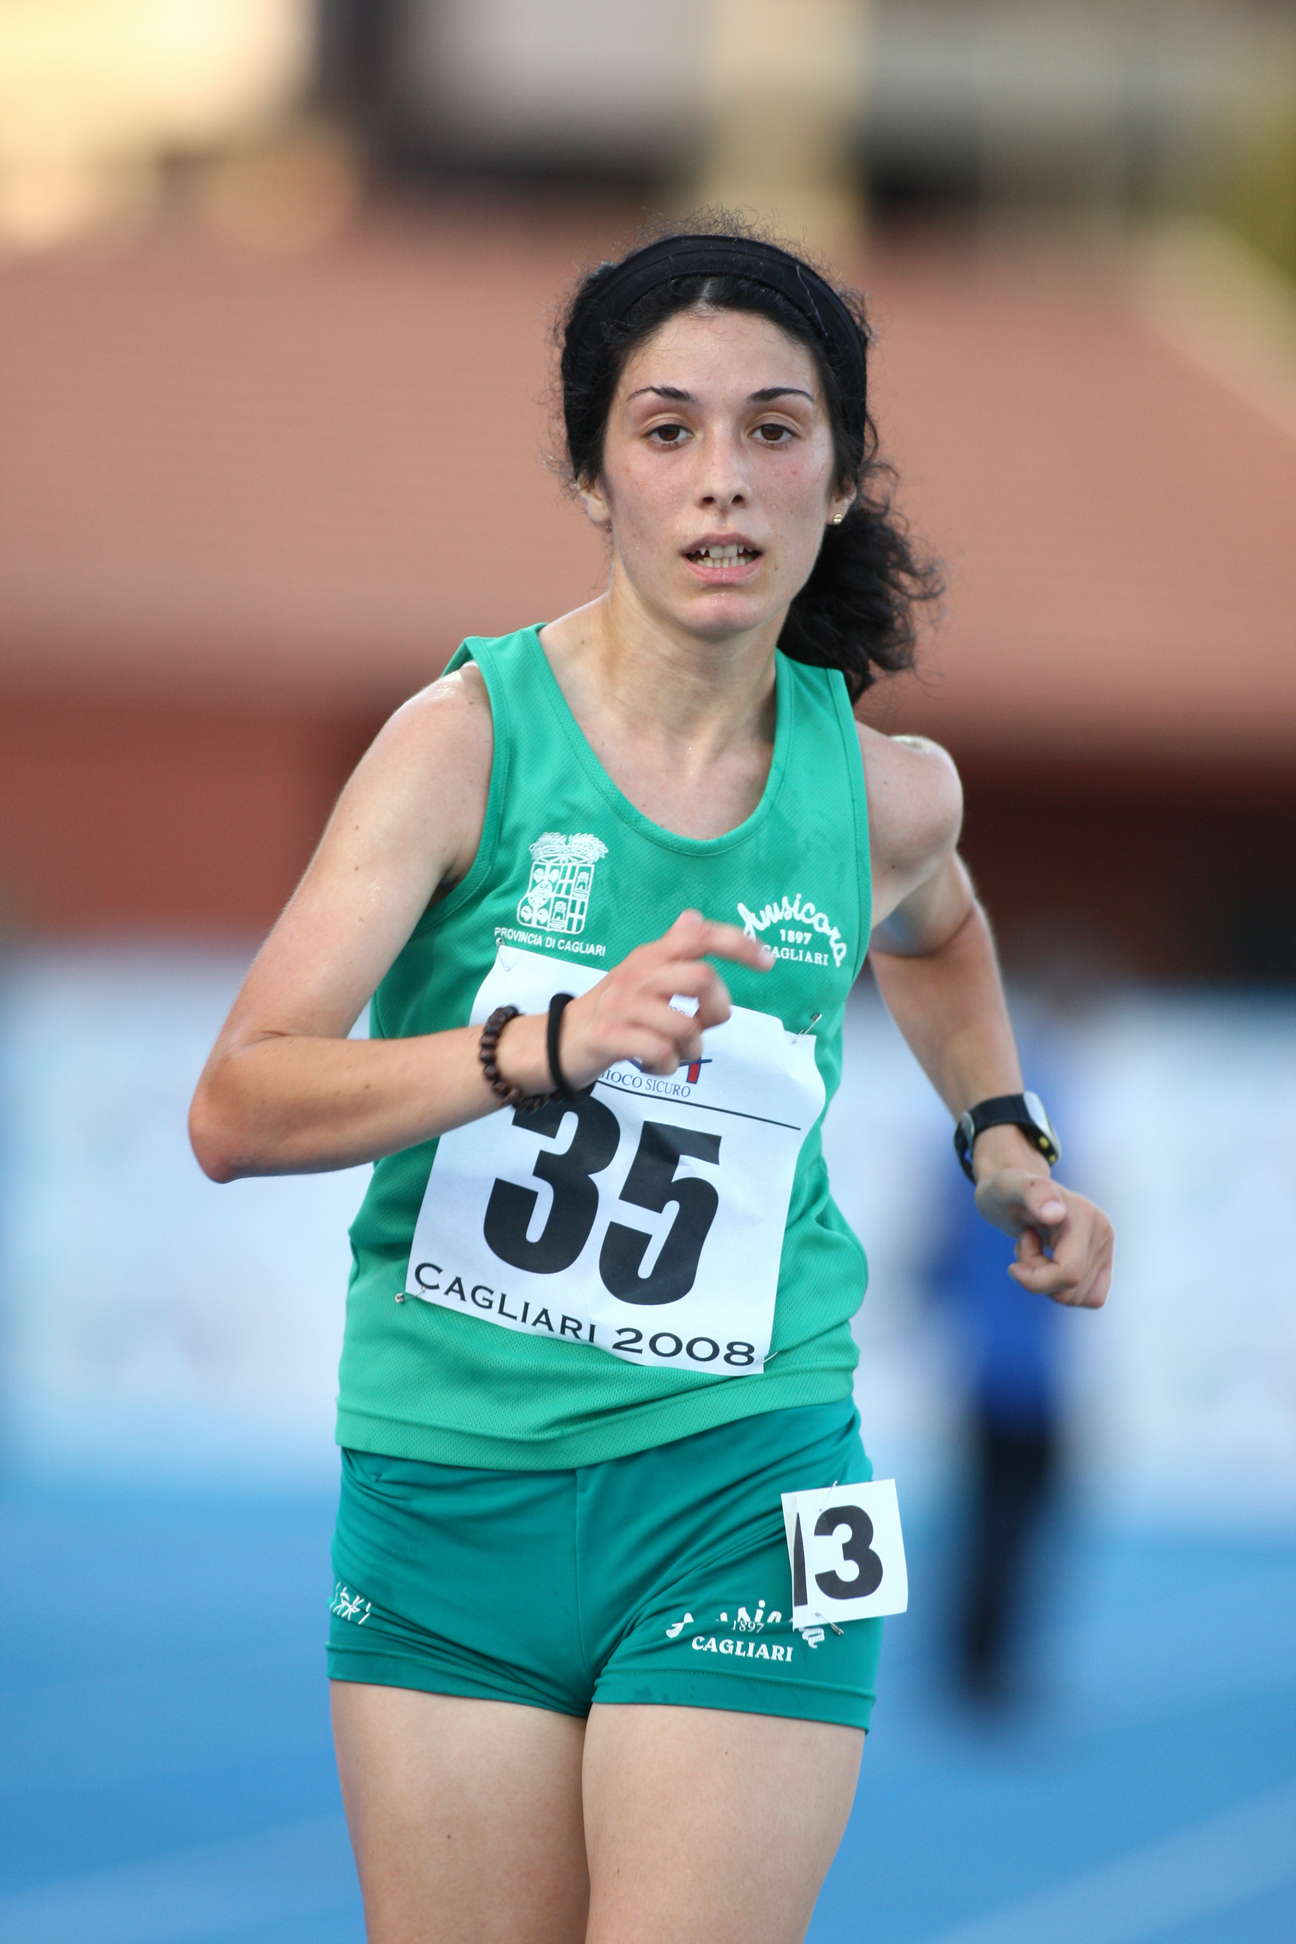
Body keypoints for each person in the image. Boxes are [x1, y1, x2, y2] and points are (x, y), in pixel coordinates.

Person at [189, 216, 1114, 1944]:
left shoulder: (890, 793)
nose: (723, 481)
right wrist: (545, 1044)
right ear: (592, 473)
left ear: (839, 475)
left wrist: (1003, 1139)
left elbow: (938, 934)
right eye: (667, 429)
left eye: (776, 429)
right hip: (449, 1487)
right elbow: (239, 1107)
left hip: (750, 1474)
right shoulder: (462, 746)